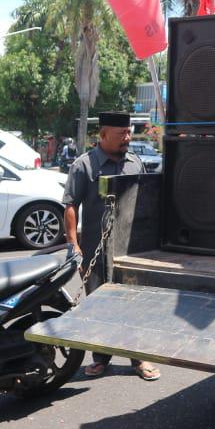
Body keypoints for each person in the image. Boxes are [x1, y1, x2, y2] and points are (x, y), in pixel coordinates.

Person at [63, 111, 160, 381]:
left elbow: (145, 201)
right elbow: (70, 204)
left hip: (130, 252)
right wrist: (74, 244)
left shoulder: (135, 162)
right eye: (121, 135)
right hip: (95, 251)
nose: (127, 138)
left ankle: (139, 359)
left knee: (133, 307)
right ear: (103, 135)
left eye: (129, 133)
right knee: (99, 307)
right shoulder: (84, 166)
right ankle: (101, 358)